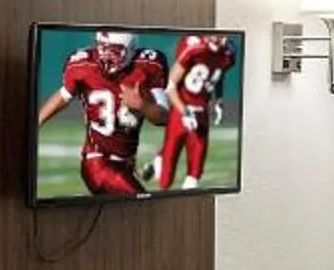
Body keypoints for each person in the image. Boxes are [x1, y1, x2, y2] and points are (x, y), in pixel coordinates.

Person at [36, 30, 167, 197]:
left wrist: (140, 104)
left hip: (125, 164)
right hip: (97, 163)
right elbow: (64, 95)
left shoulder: (149, 65)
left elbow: (164, 117)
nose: (105, 56)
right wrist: (37, 122)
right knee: (144, 206)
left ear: (131, 50)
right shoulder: (83, 65)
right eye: (102, 48)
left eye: (114, 51)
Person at [154, 31, 237, 190]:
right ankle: (160, 156)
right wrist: (184, 111)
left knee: (195, 174)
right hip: (182, 109)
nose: (219, 38)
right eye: (215, 34)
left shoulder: (228, 54)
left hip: (202, 112)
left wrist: (218, 100)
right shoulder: (193, 48)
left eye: (222, 35)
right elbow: (171, 86)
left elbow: (217, 76)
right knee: (166, 176)